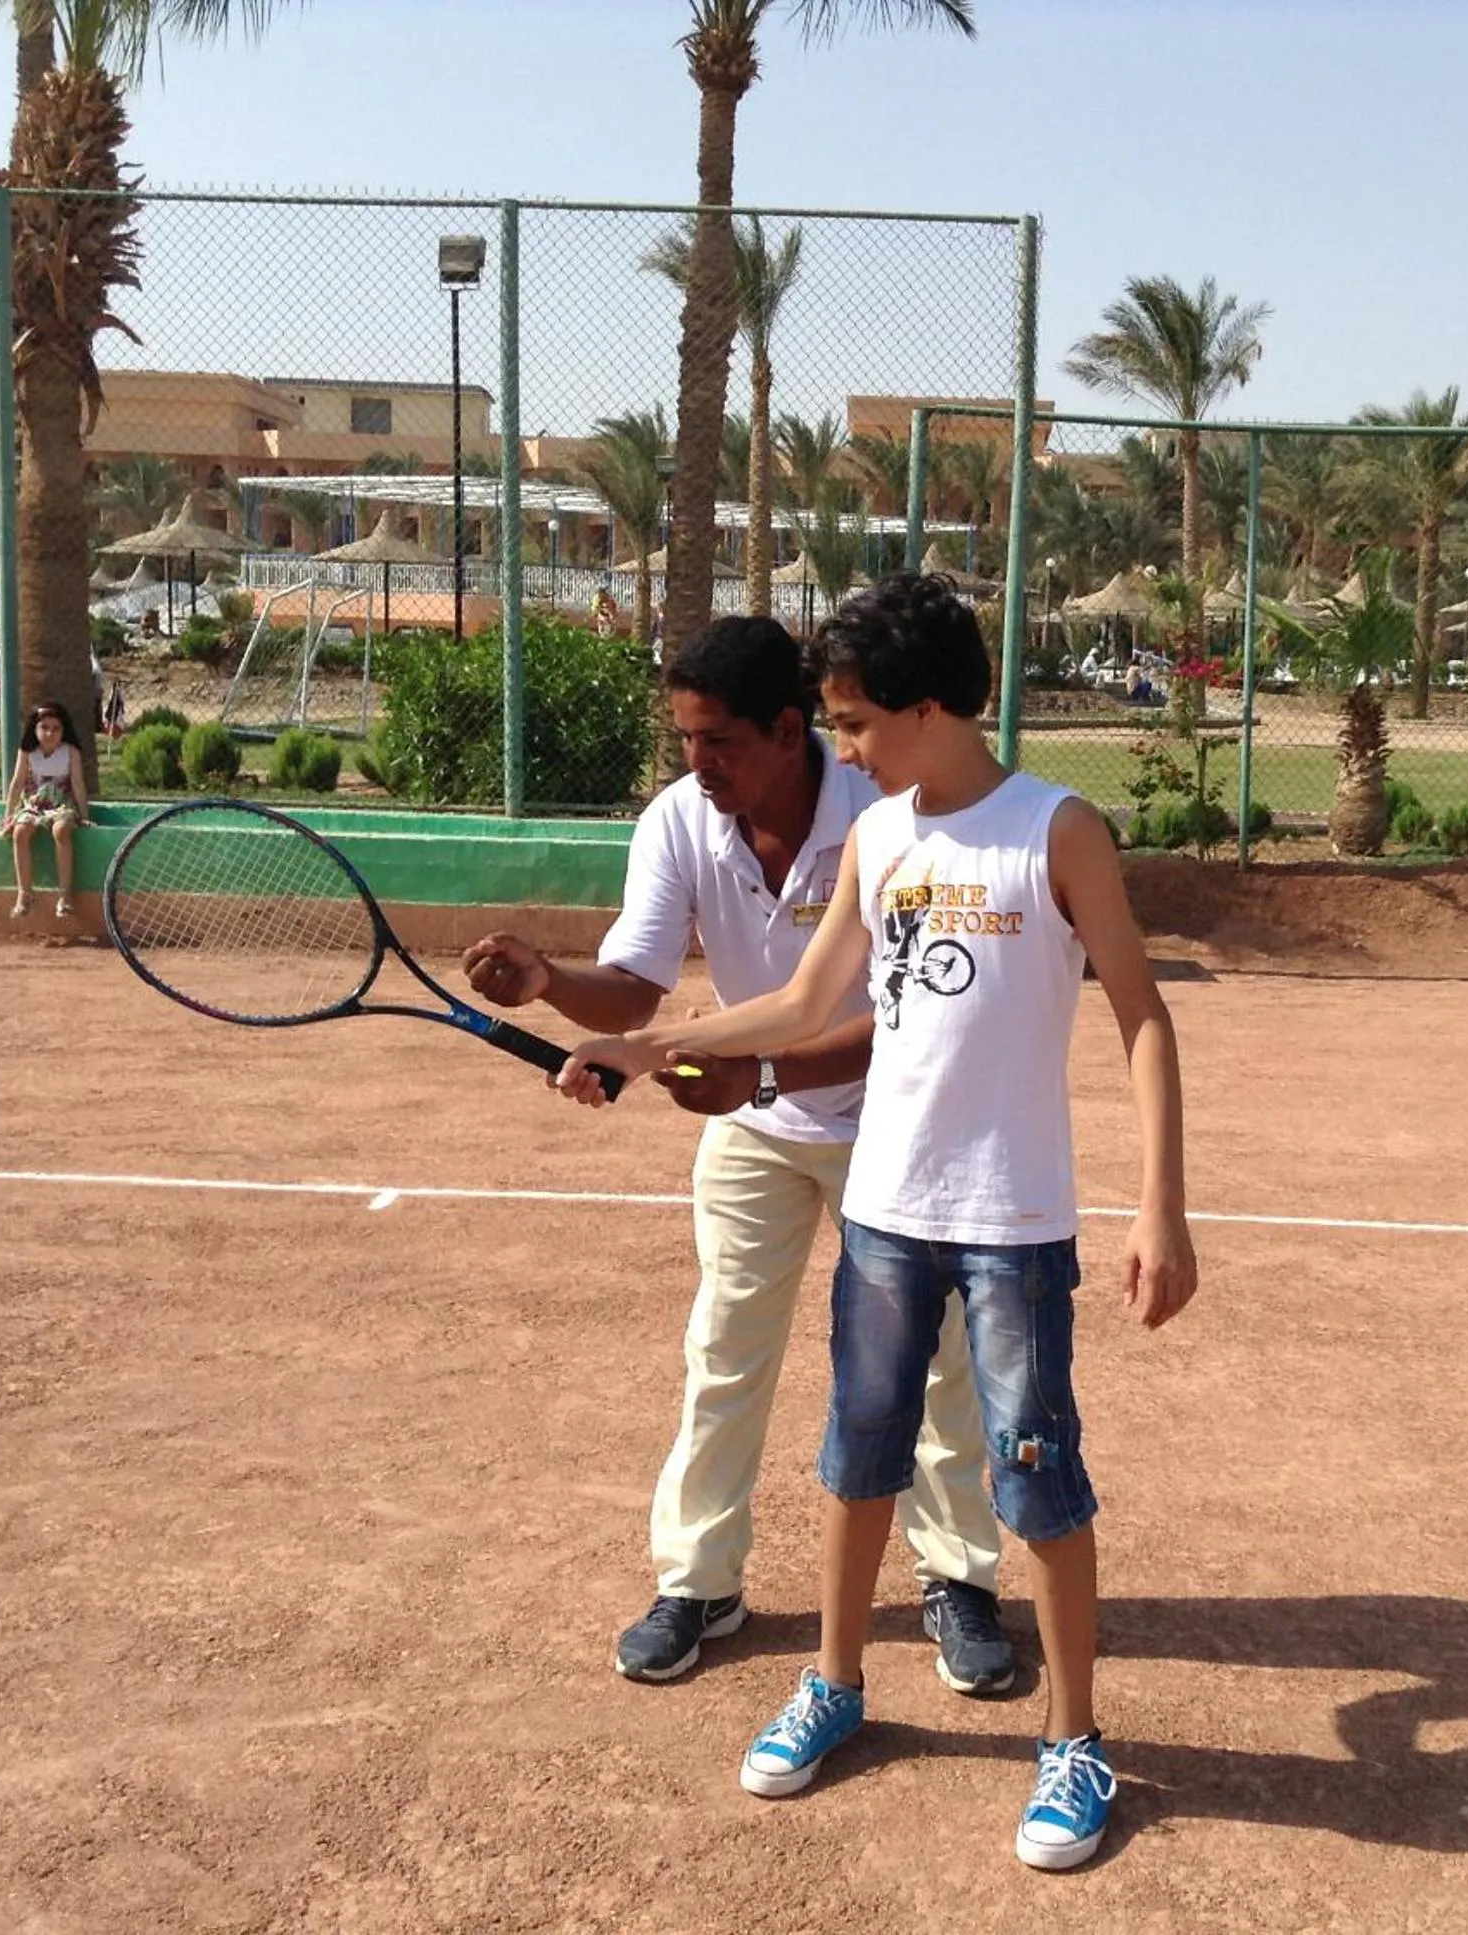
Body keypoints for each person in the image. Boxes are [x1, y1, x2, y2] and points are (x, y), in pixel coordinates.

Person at [557, 573, 1198, 1872]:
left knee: (1036, 1473)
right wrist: (651, 1048)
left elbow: (1143, 1011)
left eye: (852, 721)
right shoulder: (882, 837)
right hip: (887, 1211)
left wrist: (1161, 1204)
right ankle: (836, 1681)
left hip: (1015, 1220)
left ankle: (1076, 1737)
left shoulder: (1057, 829)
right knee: (858, 1455)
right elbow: (801, 1003)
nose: (841, 747)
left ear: (922, 705)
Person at [461, 614, 1015, 1693]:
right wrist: (550, 986)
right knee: (724, 1351)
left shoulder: (887, 812)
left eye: (718, 742)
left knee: (934, 1369)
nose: (696, 764)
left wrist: (756, 1074)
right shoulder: (678, 821)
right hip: (755, 1134)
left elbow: (908, 1020)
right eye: (684, 741)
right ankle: (699, 1582)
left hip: (900, 1130)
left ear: (787, 727)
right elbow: (634, 986)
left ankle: (958, 1579)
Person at [0, 701, 91, 920]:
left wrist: (84, 816)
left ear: (63, 730)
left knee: (61, 830)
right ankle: (24, 893)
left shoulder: (70, 752)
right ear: (35, 728)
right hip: (35, 803)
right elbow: (18, 781)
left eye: (56, 728)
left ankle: (65, 895)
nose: (50, 733)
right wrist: (9, 813)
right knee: (20, 832)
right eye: (44, 728)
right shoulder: (28, 751)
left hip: (62, 803)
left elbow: (77, 784)